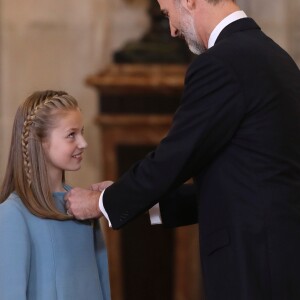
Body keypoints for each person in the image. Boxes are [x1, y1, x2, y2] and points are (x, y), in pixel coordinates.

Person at [65, 0, 300, 299]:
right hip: (277, 260)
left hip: (252, 265)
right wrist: (143, 203)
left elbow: (171, 159)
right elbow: (243, 183)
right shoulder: (276, 57)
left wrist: (101, 203)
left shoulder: (222, 63)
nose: (173, 30)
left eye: (168, 14)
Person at [0, 90, 111, 300]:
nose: (83, 143)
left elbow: (102, 286)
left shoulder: (83, 207)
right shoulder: (12, 215)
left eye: (82, 132)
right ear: (39, 141)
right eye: (72, 135)